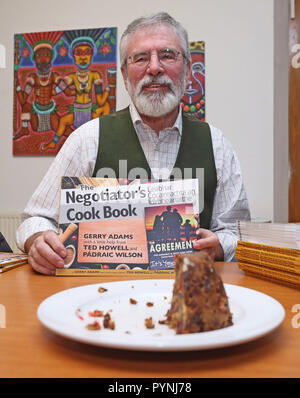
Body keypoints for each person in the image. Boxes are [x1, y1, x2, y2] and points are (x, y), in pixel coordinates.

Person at [16, 12, 251, 275]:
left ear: (186, 69)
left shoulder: (216, 145)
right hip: (100, 298)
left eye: (167, 55)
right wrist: (38, 241)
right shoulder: (87, 139)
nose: (154, 68)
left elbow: (238, 234)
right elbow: (34, 219)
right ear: (125, 75)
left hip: (190, 298)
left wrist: (218, 247)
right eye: (141, 58)